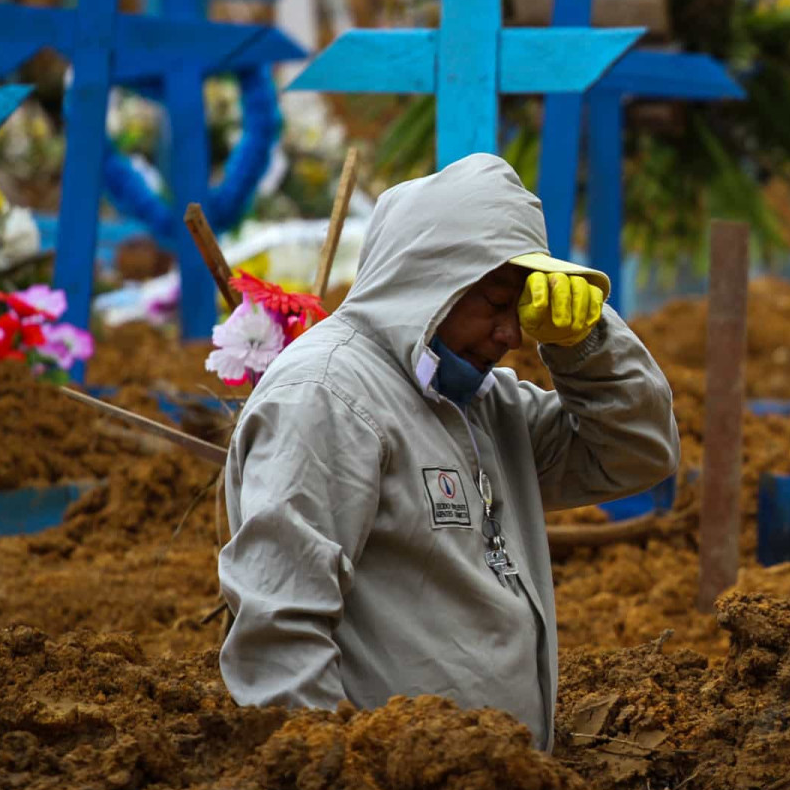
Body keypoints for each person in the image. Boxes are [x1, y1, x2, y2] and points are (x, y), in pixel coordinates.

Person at [217, 153, 679, 750]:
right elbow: (279, 631)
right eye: (495, 302)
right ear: (429, 279)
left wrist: (587, 343)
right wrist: (336, 780)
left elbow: (634, 453)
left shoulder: (485, 405)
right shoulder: (328, 396)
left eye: (522, 309)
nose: (513, 334)